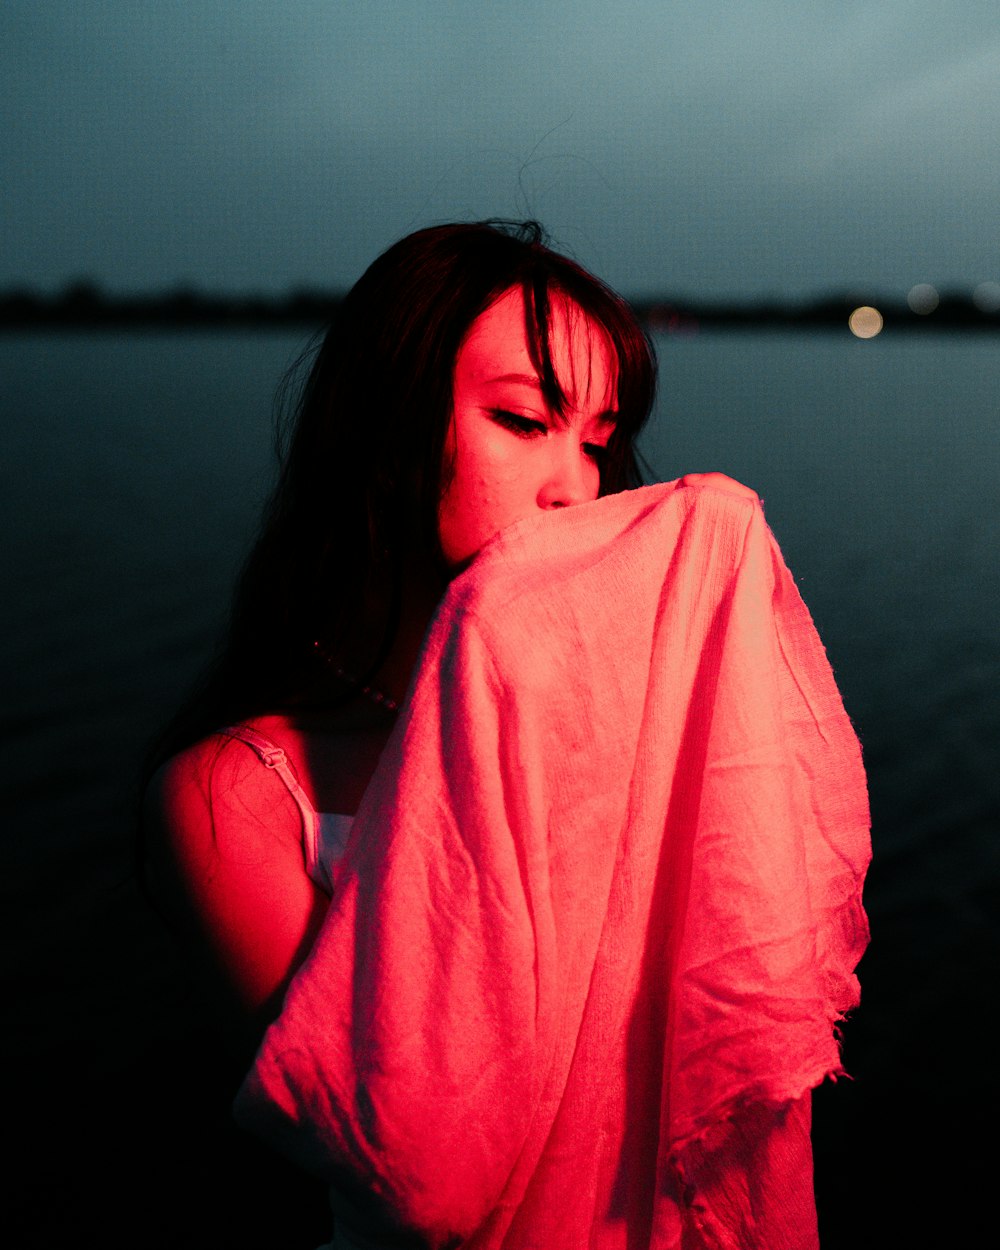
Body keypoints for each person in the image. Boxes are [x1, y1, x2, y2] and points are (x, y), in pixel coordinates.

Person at [143, 220, 868, 1249]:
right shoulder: (238, 792)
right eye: (526, 419)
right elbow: (407, 1160)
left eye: (598, 440)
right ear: (390, 431)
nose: (576, 487)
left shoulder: (629, 740)